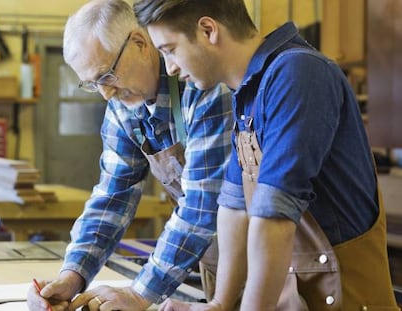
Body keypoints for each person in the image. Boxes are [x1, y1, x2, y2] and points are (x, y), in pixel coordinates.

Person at [134, 1, 400, 310]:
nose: (170, 68)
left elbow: (272, 216)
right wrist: (219, 304)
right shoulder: (249, 91)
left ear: (208, 30)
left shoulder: (297, 74)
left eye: (169, 50)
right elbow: (233, 207)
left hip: (350, 299)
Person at [27, 0, 233, 310]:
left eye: (107, 75)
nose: (105, 94)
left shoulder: (202, 85)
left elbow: (202, 206)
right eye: (92, 83)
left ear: (139, 43)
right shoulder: (123, 108)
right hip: (217, 267)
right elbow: (112, 196)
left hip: (274, 262)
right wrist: (72, 276)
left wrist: (138, 295)